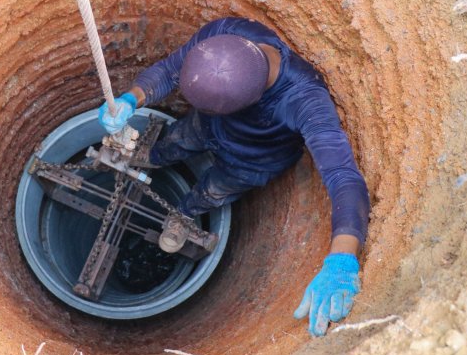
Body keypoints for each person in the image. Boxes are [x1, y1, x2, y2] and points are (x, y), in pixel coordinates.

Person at [96, 17, 370, 336]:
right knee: (174, 142)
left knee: (212, 191)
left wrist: (342, 258)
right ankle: (152, 157)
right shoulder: (224, 34)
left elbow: (343, 176)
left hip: (250, 162)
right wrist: (132, 98)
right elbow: (169, 70)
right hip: (206, 127)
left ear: (250, 103)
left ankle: (183, 214)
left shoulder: (305, 100)